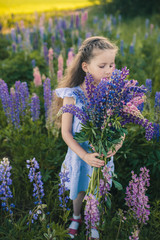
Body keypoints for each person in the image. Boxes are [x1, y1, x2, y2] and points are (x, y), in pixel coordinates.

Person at [52, 36, 125, 239]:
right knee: (78, 188)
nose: (109, 70)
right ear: (85, 66)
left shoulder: (114, 92)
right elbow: (66, 132)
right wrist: (84, 156)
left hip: (101, 155)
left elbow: (122, 129)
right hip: (80, 154)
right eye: (102, 65)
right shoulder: (72, 94)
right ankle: (76, 216)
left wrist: (117, 145)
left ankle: (94, 219)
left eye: (112, 64)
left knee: (98, 189)